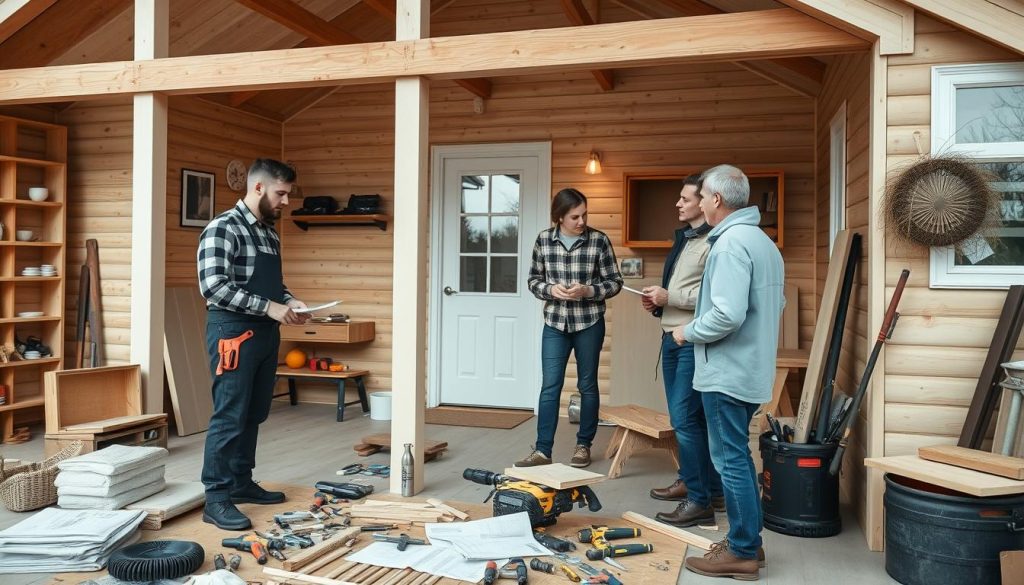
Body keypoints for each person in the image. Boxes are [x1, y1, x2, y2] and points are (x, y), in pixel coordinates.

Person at [675, 164, 784, 580]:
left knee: (731, 461)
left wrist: (687, 331)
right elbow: (777, 306)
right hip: (751, 369)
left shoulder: (728, 245)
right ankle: (749, 543)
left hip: (727, 370)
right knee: (738, 456)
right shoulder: (762, 243)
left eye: (702, 196)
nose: (699, 202)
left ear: (717, 200)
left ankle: (740, 550)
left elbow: (727, 314)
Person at [197, 158, 309, 530]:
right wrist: (270, 307)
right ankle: (215, 498)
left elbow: (273, 286)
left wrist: (290, 302)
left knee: (254, 412)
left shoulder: (268, 233)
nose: (285, 201)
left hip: (265, 332)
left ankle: (241, 483)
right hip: (233, 333)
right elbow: (212, 286)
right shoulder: (222, 228)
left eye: (287, 194)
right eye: (281, 193)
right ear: (258, 188)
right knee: (229, 414)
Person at [640, 174, 724, 524]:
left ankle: (699, 499)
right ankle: (704, 486)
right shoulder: (687, 240)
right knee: (691, 420)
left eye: (685, 198)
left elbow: (712, 296)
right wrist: (659, 303)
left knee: (685, 419)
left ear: (704, 202)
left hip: (690, 341)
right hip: (670, 337)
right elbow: (681, 287)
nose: (678, 203)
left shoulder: (714, 243)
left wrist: (669, 297)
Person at [517, 188, 623, 469]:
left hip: (589, 323)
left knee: (587, 385)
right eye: (575, 216)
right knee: (550, 386)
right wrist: (551, 289)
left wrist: (588, 290)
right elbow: (533, 281)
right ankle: (542, 451)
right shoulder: (543, 241)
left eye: (584, 215)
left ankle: (583, 446)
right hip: (554, 323)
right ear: (559, 217)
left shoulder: (599, 241)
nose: (581, 221)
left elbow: (615, 282)